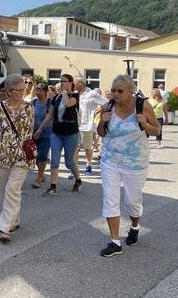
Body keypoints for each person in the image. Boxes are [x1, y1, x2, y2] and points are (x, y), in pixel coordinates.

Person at [97, 75, 161, 257]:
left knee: (132, 201)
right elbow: (101, 133)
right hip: (110, 161)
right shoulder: (108, 107)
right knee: (110, 199)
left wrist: (145, 124)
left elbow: (157, 130)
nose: (115, 94)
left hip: (135, 163)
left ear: (131, 92)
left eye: (120, 91)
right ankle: (115, 242)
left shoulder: (143, 106)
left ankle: (134, 226)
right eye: (113, 90)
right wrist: (102, 121)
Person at [0, 74, 34, 242]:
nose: (22, 92)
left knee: (12, 188)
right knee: (4, 190)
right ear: (8, 91)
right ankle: (14, 220)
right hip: (2, 154)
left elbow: (30, 130)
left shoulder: (29, 108)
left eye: (24, 89)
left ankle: (4, 228)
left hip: (22, 155)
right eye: (18, 90)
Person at [34, 74, 82, 196]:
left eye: (64, 81)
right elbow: (50, 115)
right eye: (60, 81)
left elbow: (68, 104)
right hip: (56, 133)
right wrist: (40, 129)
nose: (62, 83)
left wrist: (65, 92)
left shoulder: (75, 96)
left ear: (71, 83)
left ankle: (78, 180)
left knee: (69, 162)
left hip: (71, 134)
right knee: (54, 160)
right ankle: (53, 186)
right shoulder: (56, 98)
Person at [73, 76, 108, 176]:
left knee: (87, 148)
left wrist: (98, 111)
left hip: (86, 126)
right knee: (75, 149)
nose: (73, 85)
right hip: (75, 126)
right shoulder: (74, 94)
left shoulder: (91, 94)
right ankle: (75, 169)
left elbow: (106, 103)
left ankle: (88, 166)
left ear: (81, 84)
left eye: (75, 83)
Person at [30, 83, 52, 188]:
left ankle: (39, 177)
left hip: (46, 134)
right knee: (34, 156)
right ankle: (41, 174)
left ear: (45, 92)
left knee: (42, 155)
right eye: (37, 90)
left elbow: (50, 118)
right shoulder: (33, 102)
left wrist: (40, 130)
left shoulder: (50, 103)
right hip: (33, 133)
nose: (37, 92)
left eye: (40, 90)